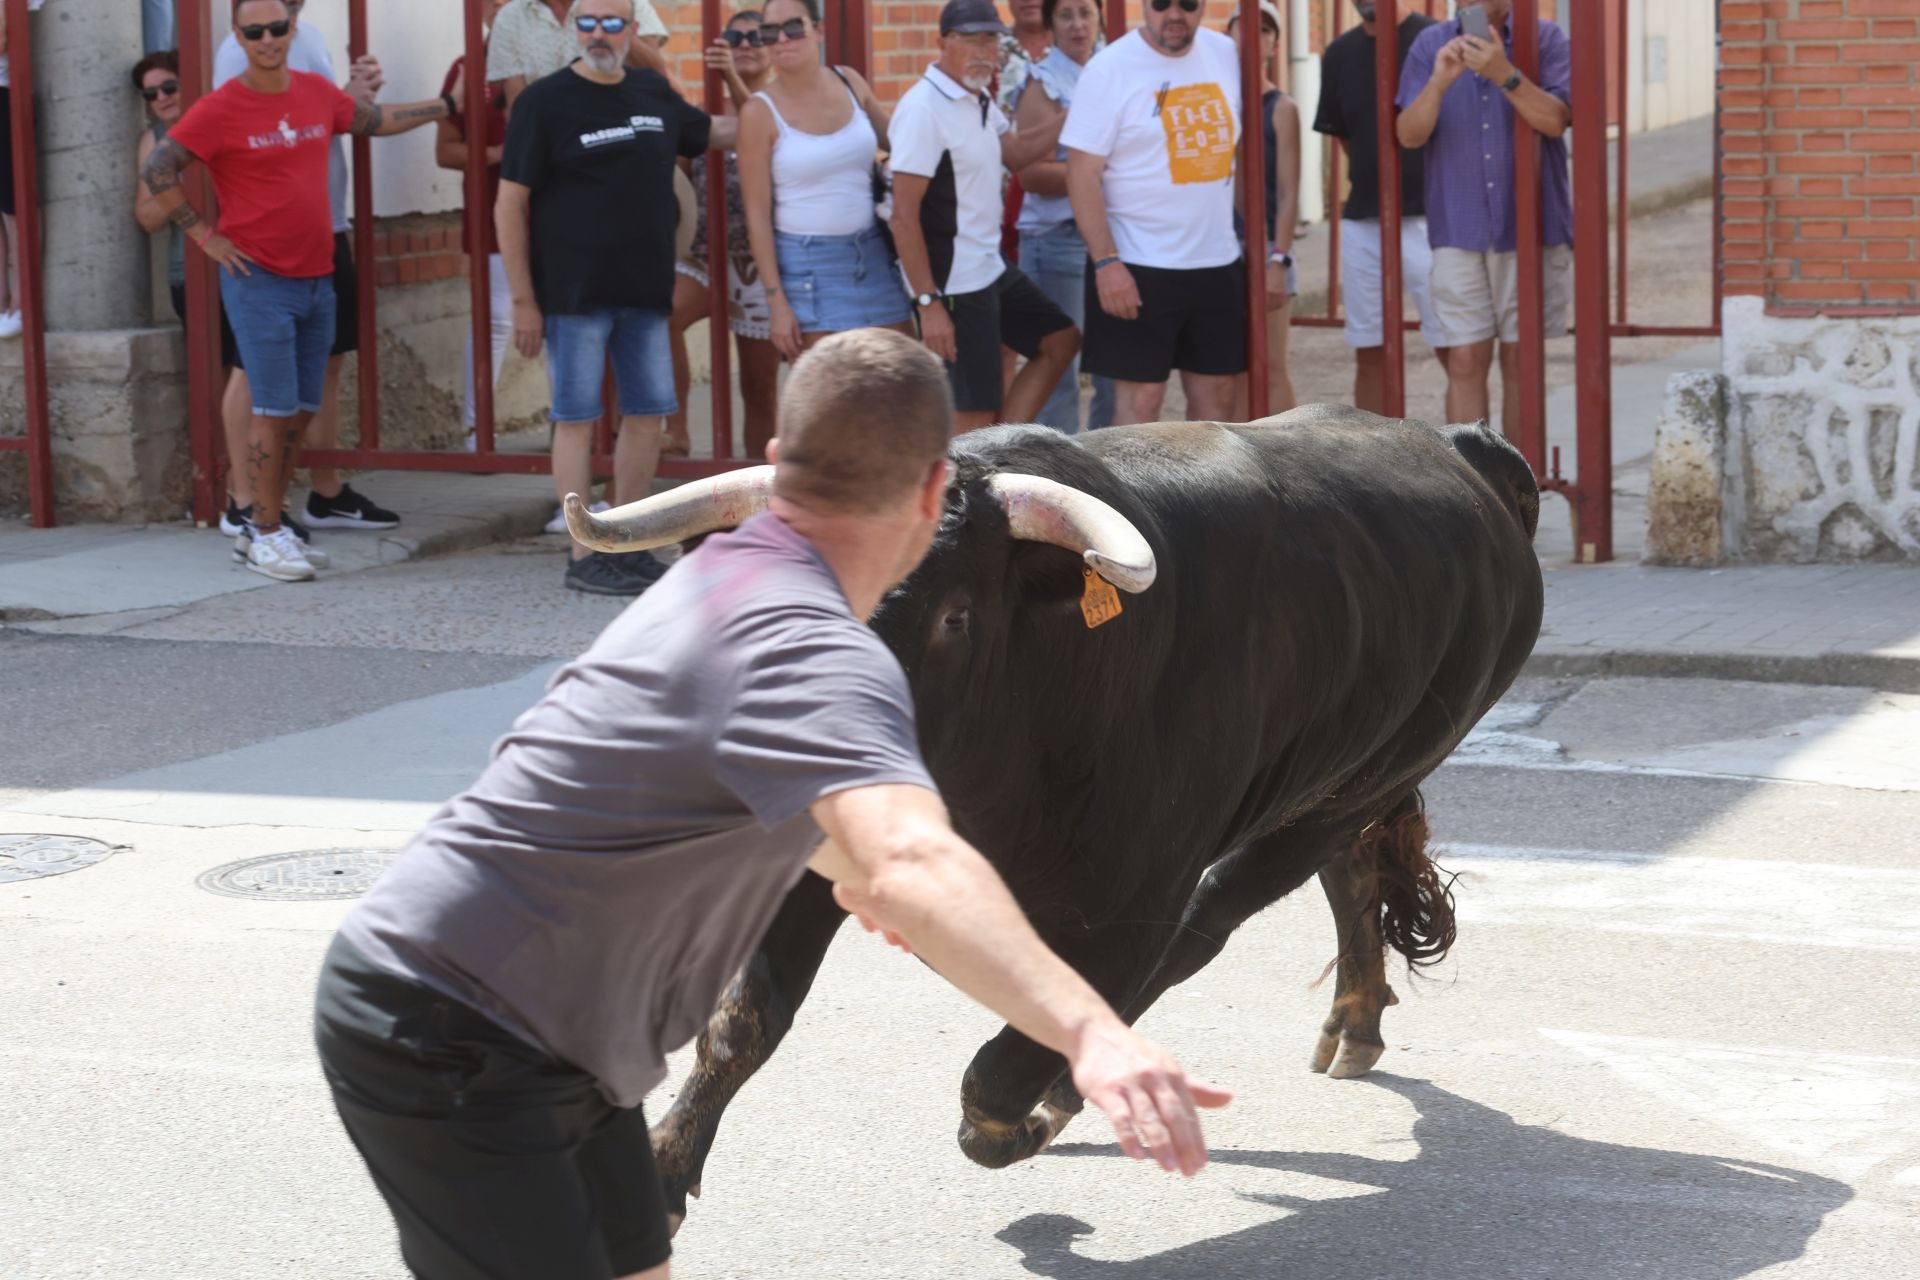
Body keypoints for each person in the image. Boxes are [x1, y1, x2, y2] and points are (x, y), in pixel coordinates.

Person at [313, 327, 1231, 1280]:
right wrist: (1090, 1033)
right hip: (464, 1029)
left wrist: (860, 869)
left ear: (773, 466)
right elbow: (914, 859)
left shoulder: (729, 573)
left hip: (538, 1026)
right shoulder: (819, 649)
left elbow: (802, 818)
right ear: (930, 494)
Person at [143, 0, 456, 583]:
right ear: (237, 36)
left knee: (301, 411)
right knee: (272, 409)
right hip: (258, 280)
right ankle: (261, 531)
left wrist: (450, 105)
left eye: (277, 28)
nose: (268, 39)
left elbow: (374, 120)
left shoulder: (315, 92)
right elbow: (159, 170)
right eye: (255, 31)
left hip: (318, 276)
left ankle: (272, 525)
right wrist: (206, 238)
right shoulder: (219, 107)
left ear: (292, 29)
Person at [497, 0, 742, 597]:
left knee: (646, 416)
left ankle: (623, 541)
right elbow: (509, 204)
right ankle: (584, 555)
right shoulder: (543, 101)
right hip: (573, 296)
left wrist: (744, 79)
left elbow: (725, 131)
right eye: (587, 22)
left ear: (634, 31)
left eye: (612, 23)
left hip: (645, 293)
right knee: (576, 420)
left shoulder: (654, 93)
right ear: (573, 31)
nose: (599, 34)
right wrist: (524, 301)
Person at [212, 0, 402, 538]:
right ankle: (243, 502)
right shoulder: (241, 46)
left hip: (325, 223)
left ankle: (326, 490)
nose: (272, 33)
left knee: (326, 363)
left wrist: (353, 99)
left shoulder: (309, 34)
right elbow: (263, 128)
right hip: (266, 243)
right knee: (251, 371)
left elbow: (316, 114)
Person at [890, 0, 1078, 432]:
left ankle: (1002, 454)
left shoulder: (975, 97)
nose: (983, 49)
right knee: (971, 415)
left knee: (1059, 341)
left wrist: (1074, 115)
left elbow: (1013, 152)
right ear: (942, 43)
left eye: (991, 38)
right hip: (953, 283)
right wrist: (928, 303)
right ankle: (962, 489)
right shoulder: (924, 109)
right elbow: (903, 216)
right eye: (970, 38)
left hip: (989, 268)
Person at [1063, 0, 1244, 426]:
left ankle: (1207, 495)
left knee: (1218, 399)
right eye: (1162, 4)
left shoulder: (1225, 53)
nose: (1175, 14)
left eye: (1188, 4)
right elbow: (1081, 174)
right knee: (1140, 405)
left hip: (1216, 260)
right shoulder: (1110, 69)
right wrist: (1107, 262)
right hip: (1139, 264)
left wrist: (1267, 247)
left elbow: (1249, 150)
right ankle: (1130, 497)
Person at [1395, 0, 1571, 436]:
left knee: (1521, 361)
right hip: (1459, 226)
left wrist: (1503, 73)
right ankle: (1474, 491)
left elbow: (1555, 120)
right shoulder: (1431, 44)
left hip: (1529, 226)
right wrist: (1438, 83)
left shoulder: (1544, 38)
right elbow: (1408, 135)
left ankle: (1520, 489)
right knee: (1465, 359)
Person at [738, 0, 906, 364]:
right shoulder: (758, 111)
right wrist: (776, 301)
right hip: (806, 265)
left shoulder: (850, 81)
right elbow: (756, 216)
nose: (782, 38)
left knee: (898, 380)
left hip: (872, 252)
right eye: (770, 31)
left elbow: (902, 146)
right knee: (830, 401)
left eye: (794, 27)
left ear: (819, 30)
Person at [1314, 0, 1446, 415]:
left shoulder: (1434, 38)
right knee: (1368, 348)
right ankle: (1376, 465)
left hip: (1431, 218)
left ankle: (1468, 466)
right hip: (1364, 218)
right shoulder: (1338, 53)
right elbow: (1344, 135)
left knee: (1454, 346)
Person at [665, 10, 780, 461]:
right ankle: (675, 430)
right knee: (664, 315)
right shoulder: (703, 110)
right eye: (736, 36)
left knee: (758, 386)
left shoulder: (782, 104)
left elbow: (762, 132)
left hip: (758, 263)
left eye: (757, 36)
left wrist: (731, 77)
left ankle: (756, 485)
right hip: (702, 253)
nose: (747, 43)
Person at [1011, 0, 1111, 433]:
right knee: (1060, 371)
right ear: (1050, 24)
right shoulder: (1041, 81)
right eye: (1065, 15)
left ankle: (1111, 475)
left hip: (1110, 238)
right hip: (1058, 240)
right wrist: (1097, 176)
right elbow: (1031, 173)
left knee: (1114, 367)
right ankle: (1061, 482)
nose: (1077, 25)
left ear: (1100, 18)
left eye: (1085, 13)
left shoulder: (1115, 70)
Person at [437, 0, 514, 450]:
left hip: (557, 215)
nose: (499, 5)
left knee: (563, 322)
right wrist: (501, 155)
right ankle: (477, 429)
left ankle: (577, 428)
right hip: (491, 210)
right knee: (497, 318)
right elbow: (445, 151)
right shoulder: (468, 67)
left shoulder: (558, 57)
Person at [1226, 0, 1298, 420]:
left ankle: (1298, 464)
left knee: (1270, 366)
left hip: (1270, 245)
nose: (1254, 37)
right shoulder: (1215, 99)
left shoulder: (1282, 108)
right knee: (1233, 369)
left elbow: (1290, 193)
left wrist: (1279, 258)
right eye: (1245, 28)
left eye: (1266, 30)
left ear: (1275, 45)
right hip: (1220, 247)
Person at [487, 0, 670, 110]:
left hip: (627, 132)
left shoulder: (627, 2)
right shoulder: (510, 18)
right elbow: (518, 108)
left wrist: (618, 24)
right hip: (556, 144)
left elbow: (657, 76)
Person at [0, 0, 47, 343]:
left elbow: (4, 32)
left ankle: (23, 299)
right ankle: (2, 297)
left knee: (13, 202)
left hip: (6, 91)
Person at [132, 52, 188, 325]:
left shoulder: (218, 122)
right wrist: (183, 182)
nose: (162, 98)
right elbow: (148, 219)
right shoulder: (153, 140)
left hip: (247, 268)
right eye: (151, 94)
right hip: (187, 274)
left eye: (169, 87)